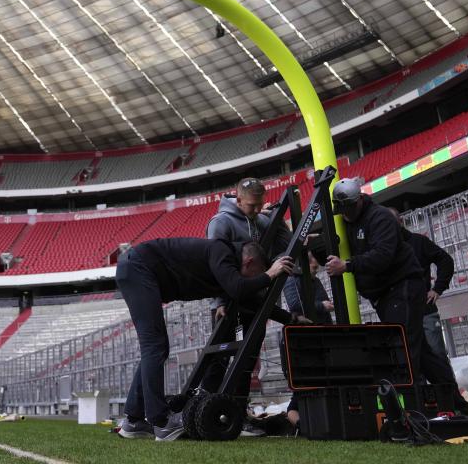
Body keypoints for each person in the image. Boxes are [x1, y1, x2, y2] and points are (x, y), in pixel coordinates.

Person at [115, 237, 297, 441]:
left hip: (135, 268)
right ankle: (161, 421)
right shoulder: (222, 251)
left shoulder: (227, 268)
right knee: (155, 346)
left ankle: (133, 421)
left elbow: (251, 299)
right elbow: (239, 288)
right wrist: (270, 273)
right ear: (250, 263)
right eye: (259, 271)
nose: (261, 281)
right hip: (138, 266)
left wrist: (291, 318)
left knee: (157, 347)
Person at [203, 178, 291, 436]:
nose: (256, 210)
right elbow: (215, 265)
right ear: (238, 200)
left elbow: (285, 243)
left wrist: (274, 215)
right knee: (220, 359)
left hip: (255, 301)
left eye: (259, 205)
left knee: (247, 360)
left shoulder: (259, 220)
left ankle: (239, 417)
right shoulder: (221, 223)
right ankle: (203, 408)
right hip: (229, 303)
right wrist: (219, 301)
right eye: (252, 205)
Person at [324, 179, 430, 378]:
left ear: (359, 201)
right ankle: (455, 401)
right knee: (422, 353)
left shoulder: (379, 217)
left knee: (402, 348)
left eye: (349, 208)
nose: (345, 214)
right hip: (387, 293)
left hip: (401, 287)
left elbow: (382, 256)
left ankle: (410, 403)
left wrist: (347, 265)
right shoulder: (348, 222)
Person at [387, 208, 468, 415]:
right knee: (417, 359)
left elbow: (446, 260)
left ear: (400, 221)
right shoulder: (388, 245)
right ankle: (431, 403)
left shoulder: (418, 242)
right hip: (406, 313)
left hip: (423, 311)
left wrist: (437, 289)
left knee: (435, 356)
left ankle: (452, 401)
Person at [284, 251, 334, 324]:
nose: (317, 270)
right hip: (306, 325)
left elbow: (324, 300)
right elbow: (295, 305)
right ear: (305, 265)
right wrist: (322, 305)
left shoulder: (315, 280)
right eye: (314, 267)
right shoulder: (291, 279)